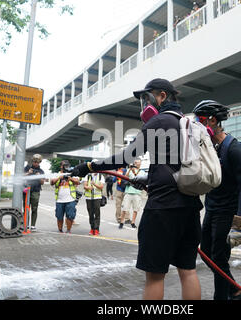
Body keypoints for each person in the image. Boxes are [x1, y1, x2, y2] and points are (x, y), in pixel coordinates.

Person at [72, 78, 203, 300]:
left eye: (146, 97)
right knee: (188, 270)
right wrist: (147, 178)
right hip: (190, 207)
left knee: (155, 275)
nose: (143, 103)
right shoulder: (189, 124)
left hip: (163, 208)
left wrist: (90, 166)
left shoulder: (160, 121)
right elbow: (175, 166)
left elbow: (126, 157)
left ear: (162, 96)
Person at [193, 100, 241, 301]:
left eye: (201, 120)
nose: (197, 125)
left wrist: (240, 225)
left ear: (213, 120)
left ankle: (223, 297)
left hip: (228, 212)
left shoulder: (233, 149)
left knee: (219, 258)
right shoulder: (209, 148)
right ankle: (234, 291)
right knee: (206, 253)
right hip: (212, 209)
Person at [50, 160, 81, 234]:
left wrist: (70, 178)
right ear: (61, 166)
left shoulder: (71, 173)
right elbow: (52, 182)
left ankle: (68, 230)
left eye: (67, 165)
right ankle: (60, 230)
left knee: (70, 216)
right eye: (65, 165)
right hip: (60, 200)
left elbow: (78, 182)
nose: (66, 167)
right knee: (59, 216)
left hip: (70, 199)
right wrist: (59, 178)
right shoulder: (57, 174)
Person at [119, 159, 145, 229]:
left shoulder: (142, 172)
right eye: (135, 162)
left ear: (140, 164)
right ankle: (121, 222)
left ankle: (133, 222)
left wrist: (134, 172)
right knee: (124, 208)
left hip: (137, 193)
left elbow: (140, 180)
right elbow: (124, 177)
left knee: (135, 209)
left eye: (138, 163)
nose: (136, 164)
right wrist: (130, 170)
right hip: (129, 192)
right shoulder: (129, 170)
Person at [24, 154, 45, 231]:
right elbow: (20, 177)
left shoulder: (41, 171)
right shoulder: (27, 168)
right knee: (26, 208)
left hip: (36, 191)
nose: (36, 163)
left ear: (40, 162)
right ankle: (26, 224)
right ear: (32, 161)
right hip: (26, 191)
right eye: (35, 161)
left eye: (38, 162)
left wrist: (39, 176)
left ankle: (33, 225)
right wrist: (28, 173)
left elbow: (42, 182)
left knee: (34, 209)